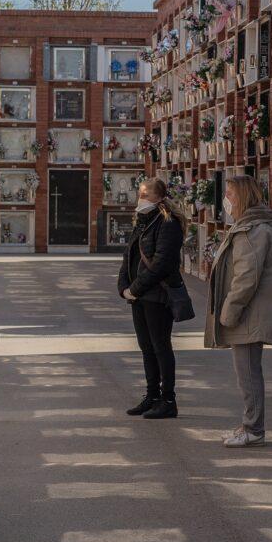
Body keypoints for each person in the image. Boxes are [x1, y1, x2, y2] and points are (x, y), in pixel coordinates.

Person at [205, 175, 272, 448]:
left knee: (247, 373)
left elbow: (247, 276)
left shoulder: (252, 231)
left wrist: (230, 310)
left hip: (249, 314)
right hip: (251, 311)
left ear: (243, 197)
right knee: (247, 372)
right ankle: (248, 424)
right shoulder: (249, 227)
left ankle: (253, 429)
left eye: (231, 194)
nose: (227, 199)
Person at [117, 178, 186, 419]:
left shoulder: (168, 223)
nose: (140, 199)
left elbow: (162, 263)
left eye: (145, 195)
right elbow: (129, 255)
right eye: (140, 194)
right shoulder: (144, 221)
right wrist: (123, 286)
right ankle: (151, 396)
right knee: (146, 348)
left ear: (158, 198)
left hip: (157, 296)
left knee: (160, 347)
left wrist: (135, 288)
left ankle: (168, 399)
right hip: (139, 296)